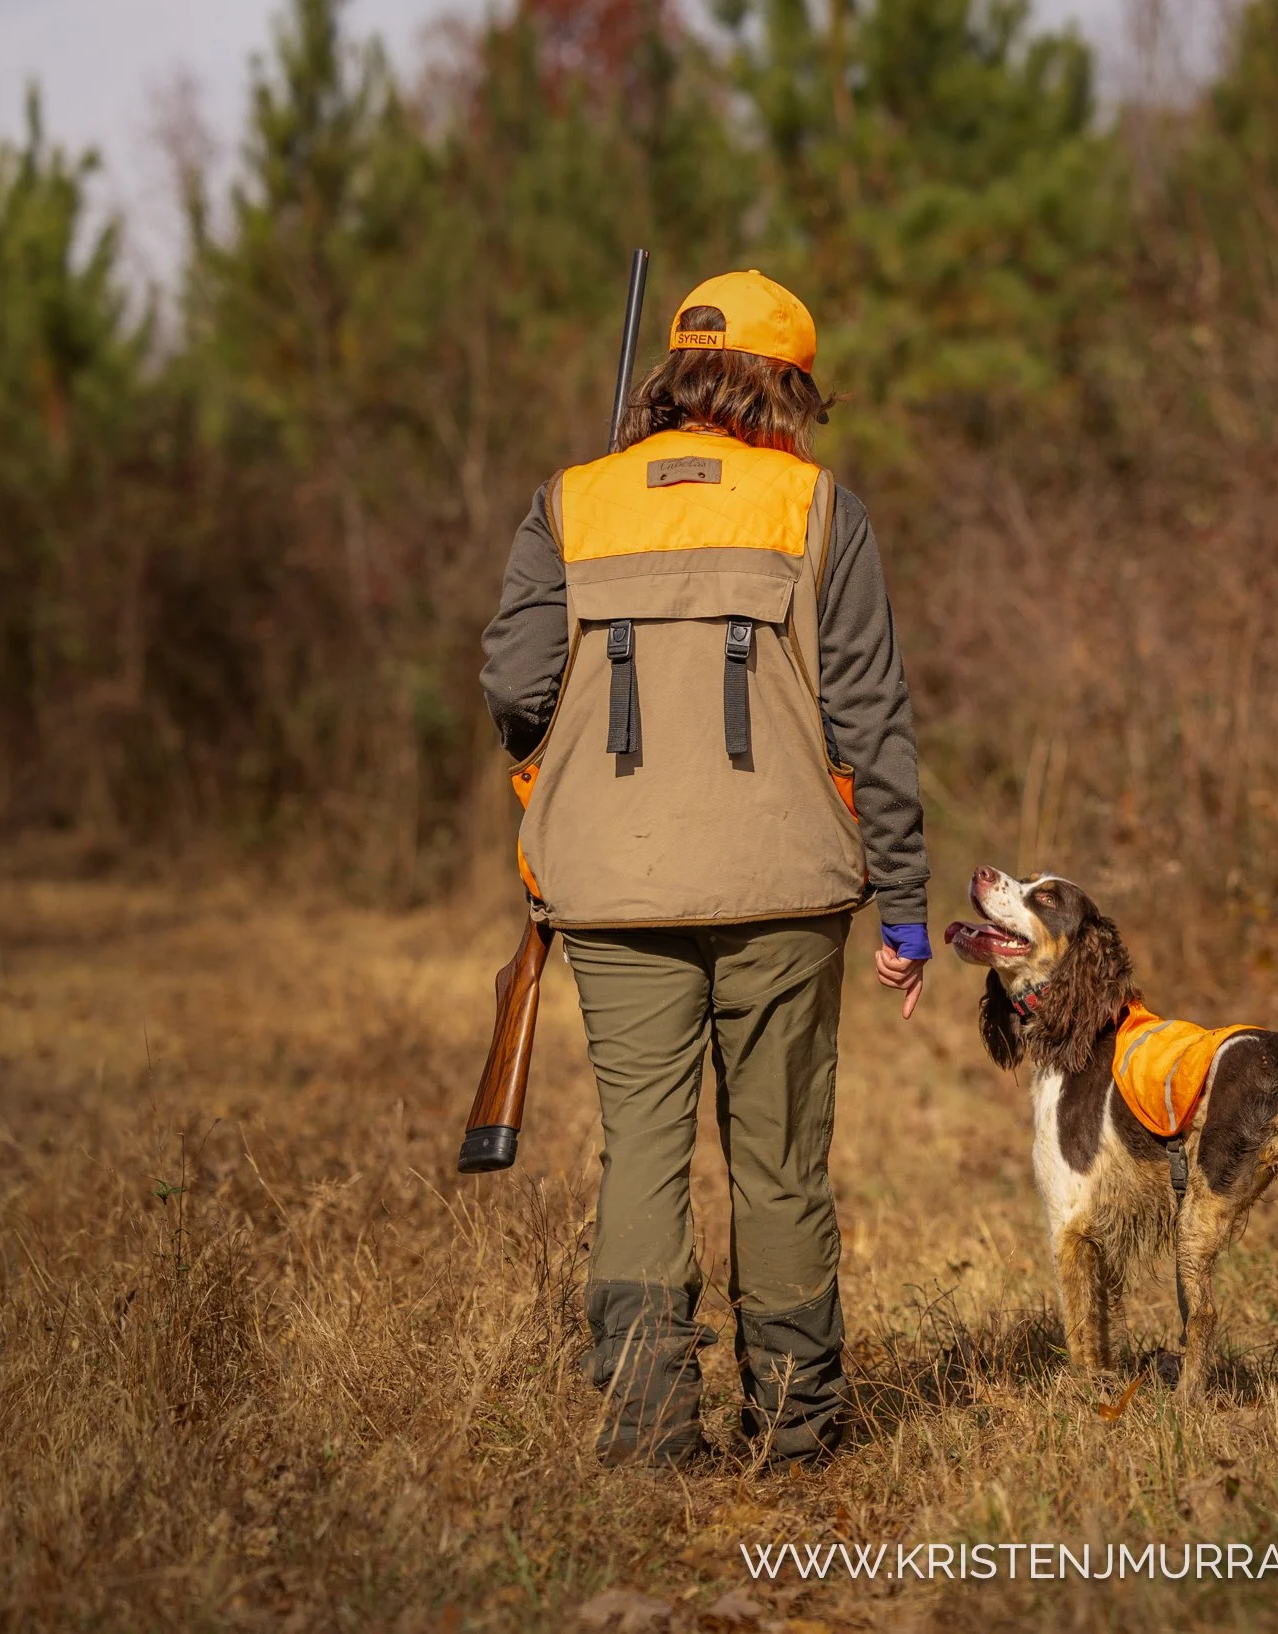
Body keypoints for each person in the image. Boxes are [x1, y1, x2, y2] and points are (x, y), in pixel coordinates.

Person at [478, 269, 930, 1468]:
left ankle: (645, 1428)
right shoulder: (817, 505)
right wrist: (909, 908)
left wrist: (550, 772)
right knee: (779, 1159)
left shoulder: (568, 503)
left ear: (671, 377)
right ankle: (793, 1432)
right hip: (785, 886)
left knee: (643, 1147)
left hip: (613, 890)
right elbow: (871, 719)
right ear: (782, 385)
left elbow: (515, 688)